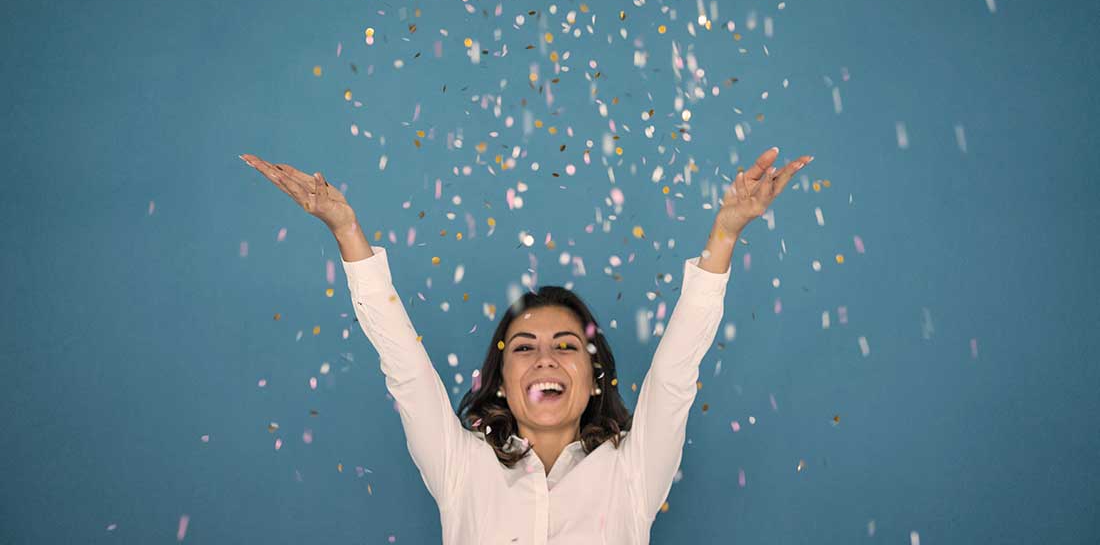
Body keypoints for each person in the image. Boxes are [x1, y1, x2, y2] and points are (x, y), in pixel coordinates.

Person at [240, 147, 811, 544]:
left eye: (566, 344)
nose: (544, 357)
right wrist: (347, 231)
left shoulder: (632, 470)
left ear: (594, 378)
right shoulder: (461, 466)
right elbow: (405, 368)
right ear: (500, 380)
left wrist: (726, 233)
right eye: (523, 347)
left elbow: (674, 374)